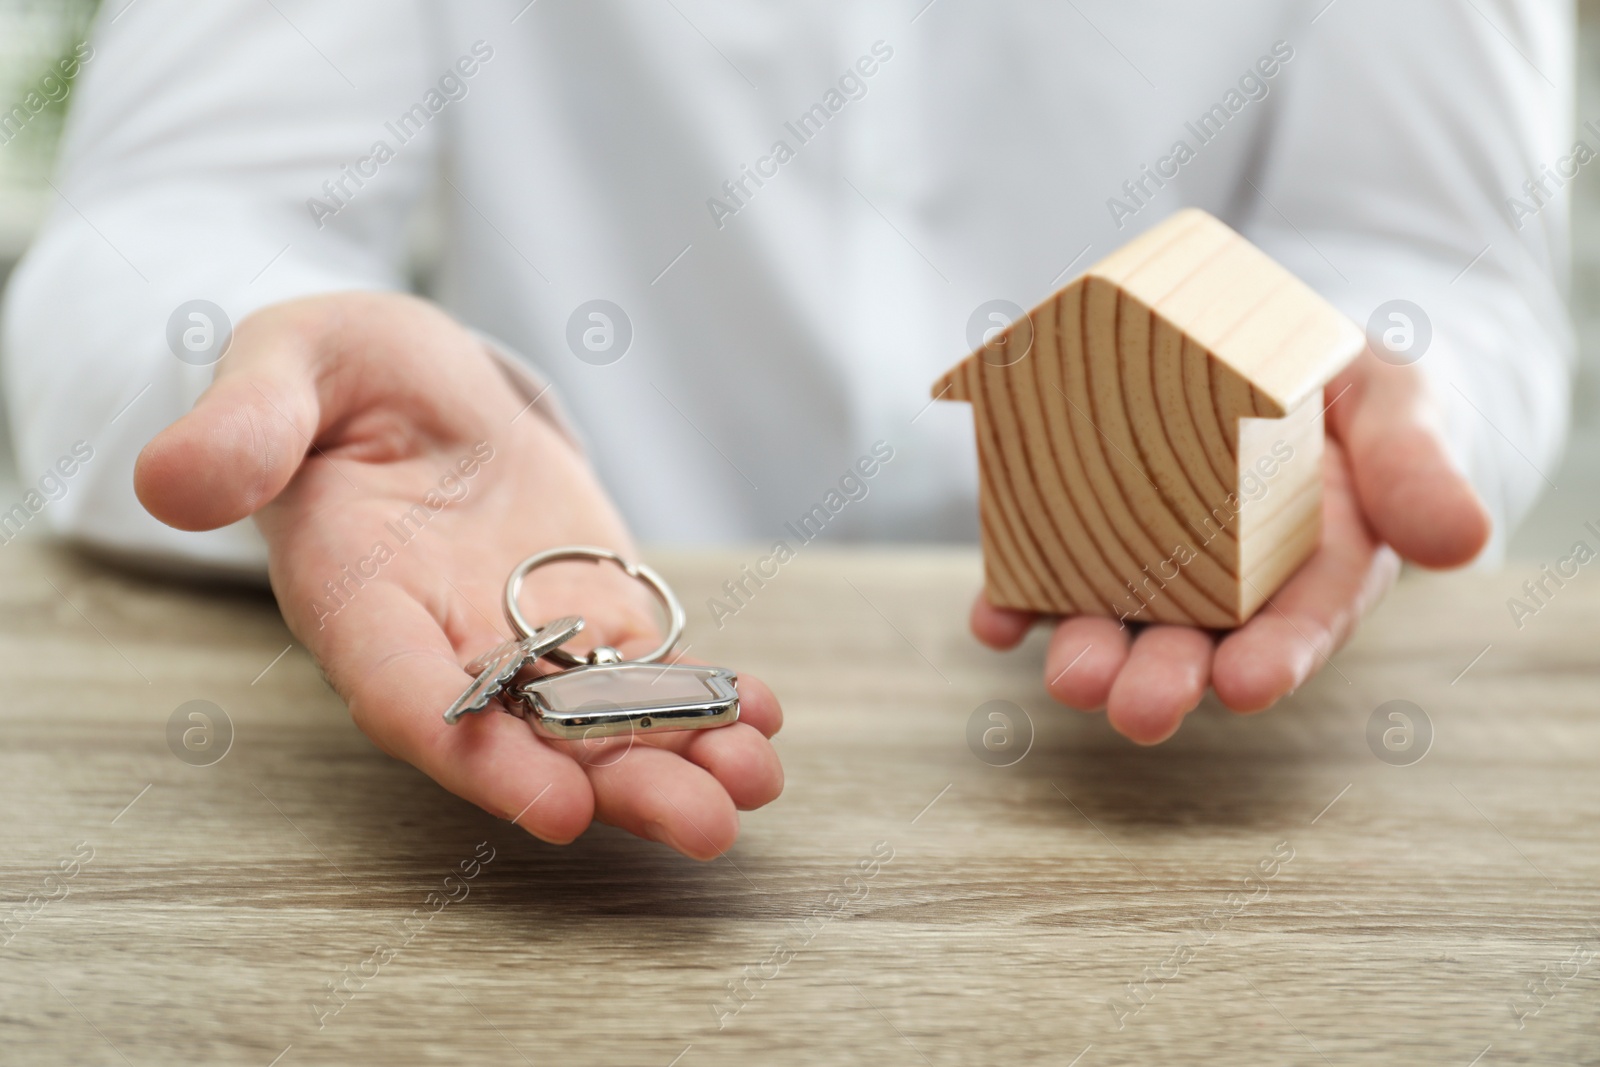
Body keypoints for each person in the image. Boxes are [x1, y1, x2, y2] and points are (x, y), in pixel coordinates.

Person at [0, 1, 1573, 857]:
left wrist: (1376, 406)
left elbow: (1436, 253)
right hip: (556, 587)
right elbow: (175, 222)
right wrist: (281, 358)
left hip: (1213, 790)